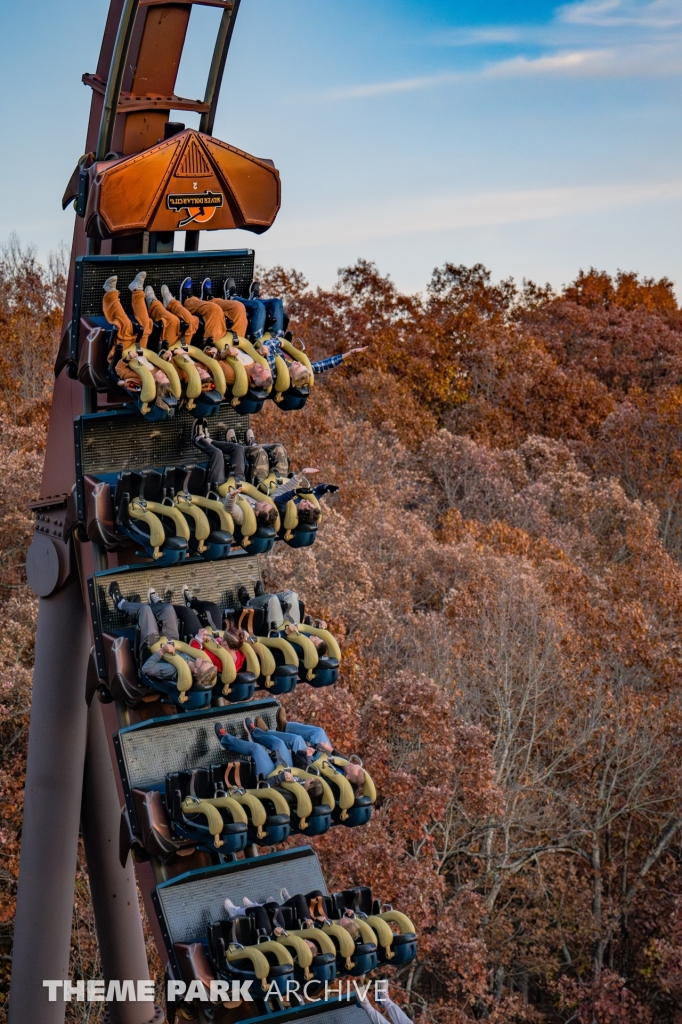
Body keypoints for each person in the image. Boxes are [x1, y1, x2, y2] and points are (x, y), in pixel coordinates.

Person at [108, 583, 218, 690]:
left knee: (145, 610)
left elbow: (147, 669)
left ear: (196, 671)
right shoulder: (194, 659)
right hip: (171, 640)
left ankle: (120, 604)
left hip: (153, 645)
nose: (205, 660)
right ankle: (134, 613)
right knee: (168, 609)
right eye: (207, 662)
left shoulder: (172, 670)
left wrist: (162, 651)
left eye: (203, 663)